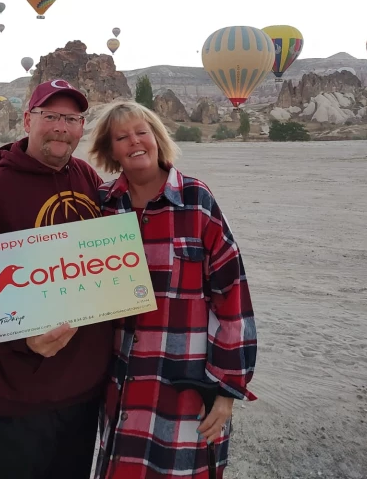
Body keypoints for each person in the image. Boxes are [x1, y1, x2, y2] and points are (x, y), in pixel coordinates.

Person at [0, 79, 114, 479]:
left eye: (72, 119)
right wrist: (22, 339)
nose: (62, 127)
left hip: (84, 392)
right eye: (51, 116)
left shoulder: (88, 179)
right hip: (21, 396)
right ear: (27, 120)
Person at [88, 101, 257, 479]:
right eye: (121, 136)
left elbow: (233, 297)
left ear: (157, 138)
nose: (134, 141)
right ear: (110, 150)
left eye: (141, 132)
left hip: (183, 383)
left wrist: (228, 388)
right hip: (121, 383)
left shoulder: (197, 200)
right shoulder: (102, 206)